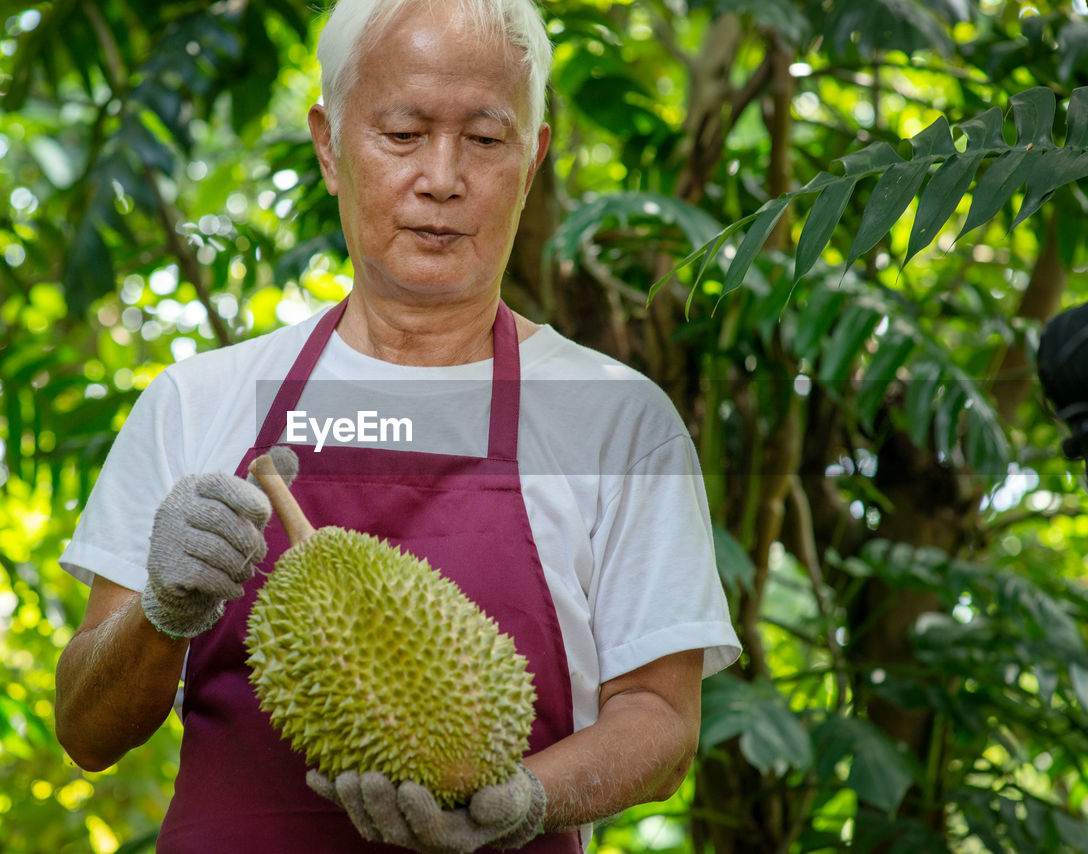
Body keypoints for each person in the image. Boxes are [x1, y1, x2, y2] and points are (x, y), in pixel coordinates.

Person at [53, 0, 741, 850]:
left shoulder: (618, 418)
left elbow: (662, 717)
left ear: (533, 158)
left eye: (485, 140)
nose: (442, 179)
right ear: (329, 146)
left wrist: (521, 801)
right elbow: (87, 732)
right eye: (403, 134)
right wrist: (162, 610)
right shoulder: (199, 399)